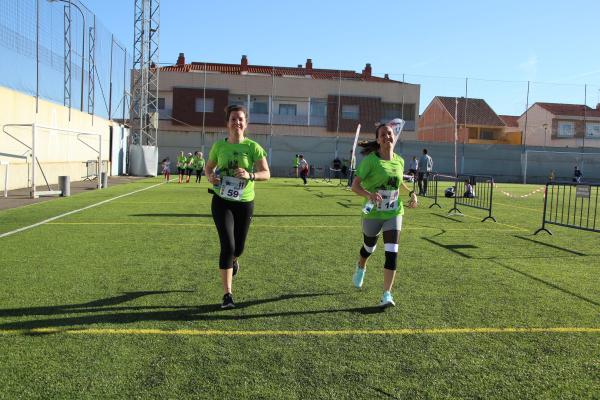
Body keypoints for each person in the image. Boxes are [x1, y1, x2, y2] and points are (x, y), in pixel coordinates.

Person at [205, 105, 270, 309]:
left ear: (246, 123)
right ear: (227, 123)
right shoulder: (218, 146)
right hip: (221, 200)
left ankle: (234, 261)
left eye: (240, 119)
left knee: (238, 248)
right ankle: (227, 295)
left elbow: (266, 173)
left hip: (244, 202)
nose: (237, 122)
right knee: (228, 245)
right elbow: (209, 167)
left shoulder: (253, 147)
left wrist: (250, 175)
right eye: (233, 119)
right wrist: (211, 177)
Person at [350, 124, 418, 308]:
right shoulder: (371, 161)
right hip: (372, 213)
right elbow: (354, 186)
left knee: (392, 251)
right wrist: (369, 195)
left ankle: (387, 294)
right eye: (383, 134)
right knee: (369, 248)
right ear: (378, 140)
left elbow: (398, 183)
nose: (387, 136)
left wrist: (411, 192)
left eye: (390, 133)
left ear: (394, 137)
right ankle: (361, 266)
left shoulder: (400, 161)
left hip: (394, 212)